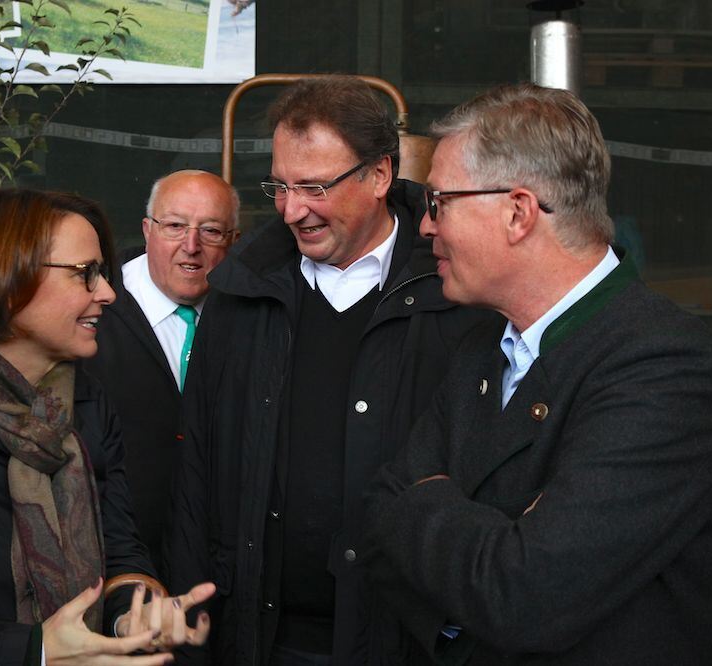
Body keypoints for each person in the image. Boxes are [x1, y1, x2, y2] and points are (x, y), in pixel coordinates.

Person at [360, 83, 712, 664]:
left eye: (439, 202)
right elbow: (380, 513)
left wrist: (429, 504)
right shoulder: (480, 348)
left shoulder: (664, 366)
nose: (425, 227)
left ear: (518, 212)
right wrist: (492, 540)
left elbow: (527, 595)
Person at [166, 75, 492, 665]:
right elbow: (197, 475)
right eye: (280, 187)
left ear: (380, 176)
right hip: (262, 642)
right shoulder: (240, 295)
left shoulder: (458, 298)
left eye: (314, 187)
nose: (293, 211)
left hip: (407, 645)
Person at [0, 188, 216, 665]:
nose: (108, 292)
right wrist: (35, 652)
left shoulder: (90, 405)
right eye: (86, 274)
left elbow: (120, 548)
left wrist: (132, 614)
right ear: (8, 277)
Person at [86, 169, 239, 573]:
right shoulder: (91, 313)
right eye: (174, 226)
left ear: (234, 242)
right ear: (147, 230)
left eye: (211, 231)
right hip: (112, 565)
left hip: (215, 568)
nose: (191, 246)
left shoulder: (250, 322)